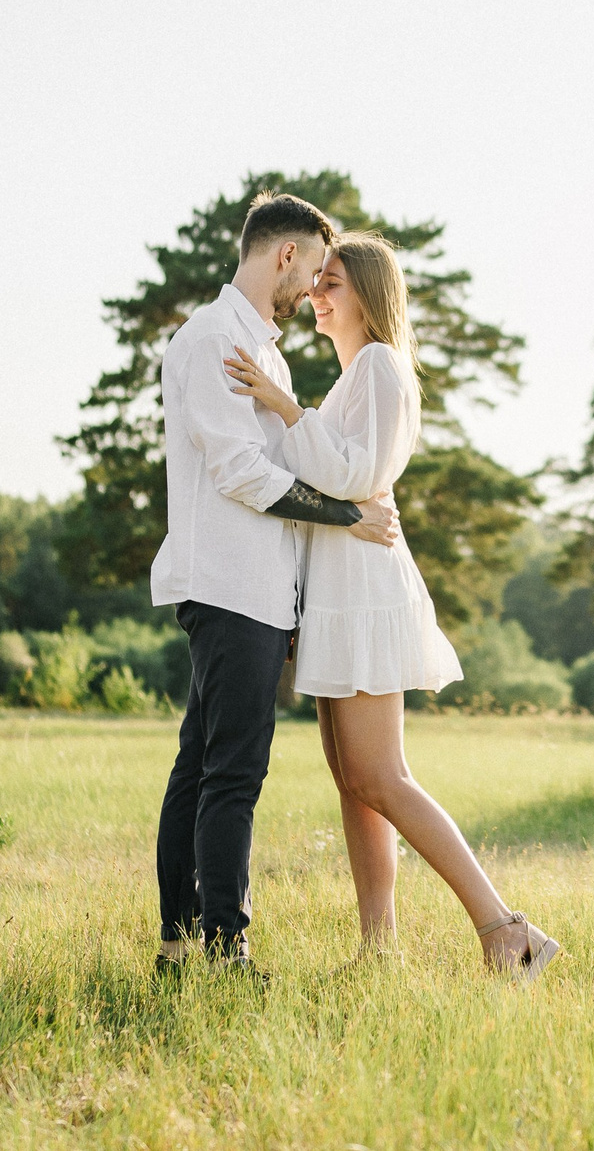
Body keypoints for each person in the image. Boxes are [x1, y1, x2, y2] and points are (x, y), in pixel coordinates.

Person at [226, 232, 562, 981]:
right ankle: (378, 951)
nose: (317, 293)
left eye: (333, 282)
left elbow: (356, 474)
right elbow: (324, 484)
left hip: (367, 596)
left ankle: (509, 932)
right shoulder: (352, 379)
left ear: (371, 294)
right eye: (318, 281)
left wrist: (283, 405)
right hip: (335, 596)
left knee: (383, 776)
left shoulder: (379, 365)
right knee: (355, 783)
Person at [152, 191, 400, 977]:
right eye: (315, 270)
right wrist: (343, 514)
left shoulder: (269, 354)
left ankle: (179, 948)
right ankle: (226, 952)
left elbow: (291, 457)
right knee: (233, 772)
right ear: (283, 255)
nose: (314, 290)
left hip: (262, 590)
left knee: (202, 764)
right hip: (228, 584)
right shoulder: (212, 338)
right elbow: (237, 471)